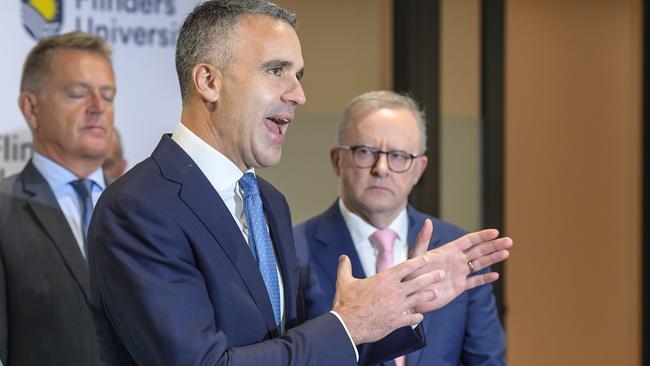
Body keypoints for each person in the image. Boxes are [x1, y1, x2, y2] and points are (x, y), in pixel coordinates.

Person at [88, 1, 513, 365]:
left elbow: (294, 352)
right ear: (209, 81)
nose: (298, 94)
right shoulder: (139, 208)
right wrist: (347, 324)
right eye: (276, 71)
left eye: (298, 75)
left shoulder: (269, 202)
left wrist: (396, 311)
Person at [294, 90, 506, 365]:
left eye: (398, 156)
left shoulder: (459, 253)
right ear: (337, 160)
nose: (381, 168)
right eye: (365, 152)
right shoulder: (292, 250)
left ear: (419, 169)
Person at [0, 32, 116, 365]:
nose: (98, 108)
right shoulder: (3, 212)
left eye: (107, 96)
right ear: (31, 108)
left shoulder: (143, 210)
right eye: (78, 93)